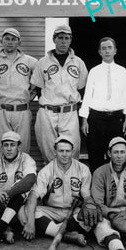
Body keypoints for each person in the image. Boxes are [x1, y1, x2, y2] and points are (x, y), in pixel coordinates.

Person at [18, 135, 98, 246]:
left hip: (74, 212)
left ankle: (51, 230)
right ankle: (67, 235)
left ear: (72, 151)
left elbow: (86, 195)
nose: (64, 154)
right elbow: (33, 195)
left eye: (67, 151)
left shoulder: (83, 169)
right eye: (61, 151)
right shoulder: (47, 170)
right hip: (52, 211)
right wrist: (31, 223)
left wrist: (89, 204)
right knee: (24, 212)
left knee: (93, 216)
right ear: (55, 151)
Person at [30, 25, 88, 163]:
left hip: (69, 111)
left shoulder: (78, 62)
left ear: (70, 40)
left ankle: (71, 180)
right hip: (47, 111)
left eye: (66, 38)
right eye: (60, 38)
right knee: (48, 149)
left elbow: (82, 88)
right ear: (54, 39)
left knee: (71, 148)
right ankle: (52, 180)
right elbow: (37, 88)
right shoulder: (43, 62)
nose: (63, 41)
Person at [79, 37, 126, 173]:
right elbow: (87, 96)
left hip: (116, 118)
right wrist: (84, 120)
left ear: (115, 51)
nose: (107, 51)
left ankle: (114, 186)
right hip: (96, 117)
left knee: (114, 153)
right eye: (103, 48)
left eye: (109, 48)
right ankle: (97, 186)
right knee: (95, 154)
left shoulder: (122, 71)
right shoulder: (94, 71)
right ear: (99, 52)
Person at [0, 28, 37, 156]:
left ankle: (20, 176)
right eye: (7, 39)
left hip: (22, 111)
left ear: (19, 42)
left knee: (22, 149)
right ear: (1, 41)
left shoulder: (31, 62)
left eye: (13, 39)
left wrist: (29, 97)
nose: (10, 42)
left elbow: (39, 84)